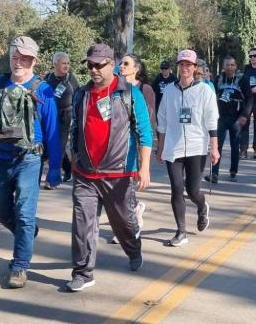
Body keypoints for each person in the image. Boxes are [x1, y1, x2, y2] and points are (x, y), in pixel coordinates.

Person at [67, 44, 154, 291]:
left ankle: (133, 246)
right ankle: (83, 273)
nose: (93, 69)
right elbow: (75, 127)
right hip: (86, 173)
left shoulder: (128, 93)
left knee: (123, 223)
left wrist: (144, 167)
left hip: (119, 173)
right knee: (83, 224)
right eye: (90, 65)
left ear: (111, 64)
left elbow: (144, 132)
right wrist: (73, 154)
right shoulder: (82, 94)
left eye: (99, 65)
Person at [0, 36, 62, 289]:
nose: (19, 62)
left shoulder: (44, 89)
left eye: (25, 58)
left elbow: (52, 131)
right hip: (2, 158)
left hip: (30, 159)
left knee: (25, 214)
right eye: (15, 57)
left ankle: (20, 266)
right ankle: (27, 235)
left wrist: (55, 168)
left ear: (34, 60)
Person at [155, 49, 219, 247]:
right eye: (181, 64)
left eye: (188, 65)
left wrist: (214, 147)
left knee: (192, 191)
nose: (184, 68)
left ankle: (201, 205)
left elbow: (211, 120)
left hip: (196, 146)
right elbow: (162, 119)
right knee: (176, 189)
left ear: (194, 68)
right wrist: (160, 146)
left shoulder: (204, 91)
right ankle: (181, 231)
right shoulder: (169, 91)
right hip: (173, 147)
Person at [107, 53, 154, 245]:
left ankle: (129, 228)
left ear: (136, 69)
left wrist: (146, 160)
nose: (122, 66)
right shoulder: (112, 88)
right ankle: (131, 215)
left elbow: (148, 119)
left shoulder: (142, 89)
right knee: (117, 195)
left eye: (126, 64)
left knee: (125, 189)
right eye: (120, 63)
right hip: (112, 149)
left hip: (132, 146)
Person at [208, 55, 252, 183]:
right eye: (227, 65)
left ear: (236, 66)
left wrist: (245, 115)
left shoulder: (243, 79)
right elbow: (211, 95)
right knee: (218, 144)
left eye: (232, 65)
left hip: (237, 117)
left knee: (234, 144)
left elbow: (249, 98)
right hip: (221, 117)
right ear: (223, 66)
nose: (230, 67)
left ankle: (233, 171)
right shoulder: (219, 79)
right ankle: (214, 173)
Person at [44, 52, 80, 185]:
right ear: (55, 64)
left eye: (68, 63)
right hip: (50, 115)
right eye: (64, 63)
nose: (67, 66)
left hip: (66, 116)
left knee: (59, 144)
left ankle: (52, 179)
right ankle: (68, 168)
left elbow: (79, 96)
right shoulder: (48, 78)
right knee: (50, 144)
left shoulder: (71, 79)